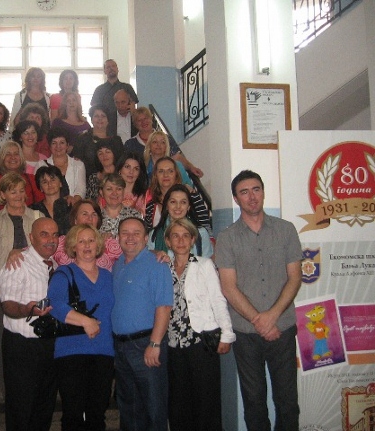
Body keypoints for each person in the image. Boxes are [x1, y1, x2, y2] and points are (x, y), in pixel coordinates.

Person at [215, 170, 302, 431]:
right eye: (244, 192)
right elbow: (228, 287)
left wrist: (271, 316)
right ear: (236, 198)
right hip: (246, 334)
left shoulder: (286, 230)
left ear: (263, 192)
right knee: (253, 403)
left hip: (282, 329)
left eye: (256, 189)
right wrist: (258, 320)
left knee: (288, 402)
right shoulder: (227, 237)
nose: (251, 197)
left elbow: (295, 278)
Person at [164, 218, 235, 431]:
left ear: (193, 240)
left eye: (186, 236)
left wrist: (226, 334)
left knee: (206, 400)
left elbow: (218, 299)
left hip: (201, 340)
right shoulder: (163, 268)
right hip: (173, 343)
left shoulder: (204, 265)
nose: (181, 241)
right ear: (168, 241)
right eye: (175, 236)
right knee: (179, 401)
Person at [47, 224, 115, 431]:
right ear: (73, 246)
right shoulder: (64, 273)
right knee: (73, 414)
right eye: (81, 241)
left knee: (97, 413)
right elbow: (55, 305)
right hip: (71, 352)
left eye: (91, 240)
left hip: (103, 351)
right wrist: (86, 321)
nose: (87, 245)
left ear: (98, 245)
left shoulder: (108, 276)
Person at [0, 217, 60, 431]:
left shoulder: (55, 265)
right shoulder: (18, 263)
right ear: (31, 238)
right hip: (22, 347)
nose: (51, 239)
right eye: (44, 234)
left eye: (55, 235)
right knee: (21, 408)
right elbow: (8, 305)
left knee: (44, 407)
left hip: (49, 345)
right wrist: (27, 310)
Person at [112, 217, 173, 431]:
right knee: (129, 409)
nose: (130, 237)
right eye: (125, 233)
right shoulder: (118, 264)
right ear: (118, 238)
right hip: (121, 347)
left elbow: (164, 307)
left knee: (153, 409)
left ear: (146, 238)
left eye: (136, 233)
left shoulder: (157, 265)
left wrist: (154, 344)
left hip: (146, 344)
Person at [0, 172, 38, 396]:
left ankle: (31, 391)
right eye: (13, 191)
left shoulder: (37, 216)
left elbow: (47, 252)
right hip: (2, 292)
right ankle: (9, 394)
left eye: (22, 190)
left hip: (32, 290)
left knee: (32, 344)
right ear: (2, 194)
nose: (19, 195)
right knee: (6, 346)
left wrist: (21, 252)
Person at [124, 107, 203, 178]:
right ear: (135, 124)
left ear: (151, 119)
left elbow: (178, 157)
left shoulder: (166, 139)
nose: (143, 122)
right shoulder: (130, 144)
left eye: (146, 118)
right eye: (139, 120)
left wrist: (191, 168)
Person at [53, 199, 123, 272]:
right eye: (85, 214)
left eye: (94, 214)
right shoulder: (61, 242)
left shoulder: (109, 243)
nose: (90, 218)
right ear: (75, 220)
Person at [149, 184, 212, 258]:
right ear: (166, 206)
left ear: (188, 207)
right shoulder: (154, 235)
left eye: (183, 202)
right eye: (173, 202)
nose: (178, 206)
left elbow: (206, 262)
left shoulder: (201, 233)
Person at [72, 106, 124, 178]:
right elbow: (76, 162)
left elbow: (121, 162)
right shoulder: (82, 139)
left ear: (108, 120)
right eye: (96, 116)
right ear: (91, 119)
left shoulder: (116, 140)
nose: (100, 119)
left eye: (103, 116)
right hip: (86, 179)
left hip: (113, 179)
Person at [0, 141, 44, 207]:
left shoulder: (32, 179)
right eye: (8, 154)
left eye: (16, 154)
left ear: (21, 157)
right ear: (2, 158)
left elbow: (42, 203)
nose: (13, 157)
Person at [90, 59, 138, 137]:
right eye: (108, 67)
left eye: (113, 66)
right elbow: (94, 110)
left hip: (126, 126)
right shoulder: (99, 90)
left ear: (117, 69)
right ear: (105, 71)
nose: (111, 68)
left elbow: (133, 108)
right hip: (107, 128)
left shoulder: (127, 87)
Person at [46, 127, 86, 205]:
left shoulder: (78, 165)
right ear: (50, 146)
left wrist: (72, 201)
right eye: (54, 143)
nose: (58, 146)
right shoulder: (42, 165)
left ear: (67, 145)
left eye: (62, 143)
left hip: (74, 206)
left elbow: (81, 190)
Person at [98, 173, 142, 239]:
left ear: (123, 191)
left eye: (119, 189)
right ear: (101, 192)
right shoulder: (96, 217)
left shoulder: (134, 215)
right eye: (109, 189)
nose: (114, 193)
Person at [30, 165, 71, 235]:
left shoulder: (70, 205)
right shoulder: (33, 209)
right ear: (40, 188)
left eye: (53, 180)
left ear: (60, 183)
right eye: (45, 182)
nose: (49, 184)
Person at [145, 157, 183, 230]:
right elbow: (148, 233)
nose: (166, 175)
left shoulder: (191, 198)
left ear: (176, 175)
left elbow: (204, 226)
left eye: (170, 171)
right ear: (155, 176)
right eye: (161, 171)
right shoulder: (150, 206)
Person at [116, 151, 148, 215]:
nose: (131, 172)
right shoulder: (110, 193)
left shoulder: (146, 196)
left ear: (139, 173)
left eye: (136, 169)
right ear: (119, 170)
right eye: (127, 167)